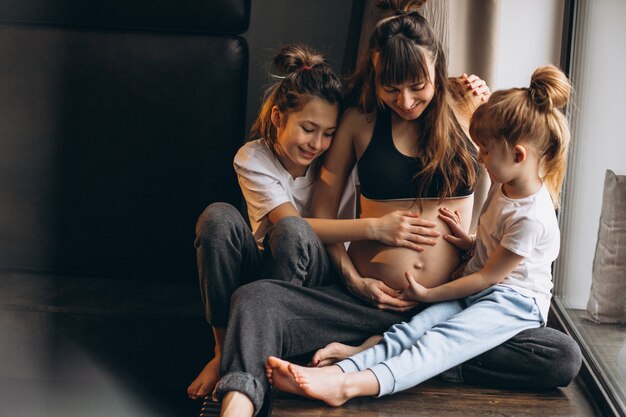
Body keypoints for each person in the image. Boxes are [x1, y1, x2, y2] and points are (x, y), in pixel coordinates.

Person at [214, 2, 581, 416]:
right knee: (255, 300)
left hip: (453, 306)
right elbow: (320, 218)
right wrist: (354, 280)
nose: (405, 101)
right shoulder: (360, 121)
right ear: (376, 76)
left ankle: (400, 356)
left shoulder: (470, 108)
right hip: (368, 304)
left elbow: (514, 180)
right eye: (391, 87)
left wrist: (474, 246)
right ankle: (238, 406)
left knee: (560, 355)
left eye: (417, 85)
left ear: (437, 68)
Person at [265, 64, 575, 406]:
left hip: (510, 301)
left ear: (518, 155)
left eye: (484, 151)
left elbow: (491, 276)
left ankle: (350, 385)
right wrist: (469, 242)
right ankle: (341, 369)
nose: (479, 158)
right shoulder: (506, 185)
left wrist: (430, 294)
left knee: (440, 341)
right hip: (468, 291)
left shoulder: (533, 217)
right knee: (415, 330)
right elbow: (496, 252)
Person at [188, 43, 456, 400]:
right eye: (308, 128)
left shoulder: (340, 152)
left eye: (328, 132)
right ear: (278, 117)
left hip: (319, 272)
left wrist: (460, 86)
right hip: (269, 263)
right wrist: (376, 227)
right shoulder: (253, 158)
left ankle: (272, 349)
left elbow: (406, 101)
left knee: (294, 233)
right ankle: (223, 353)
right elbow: (292, 222)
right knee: (221, 218)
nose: (317, 143)